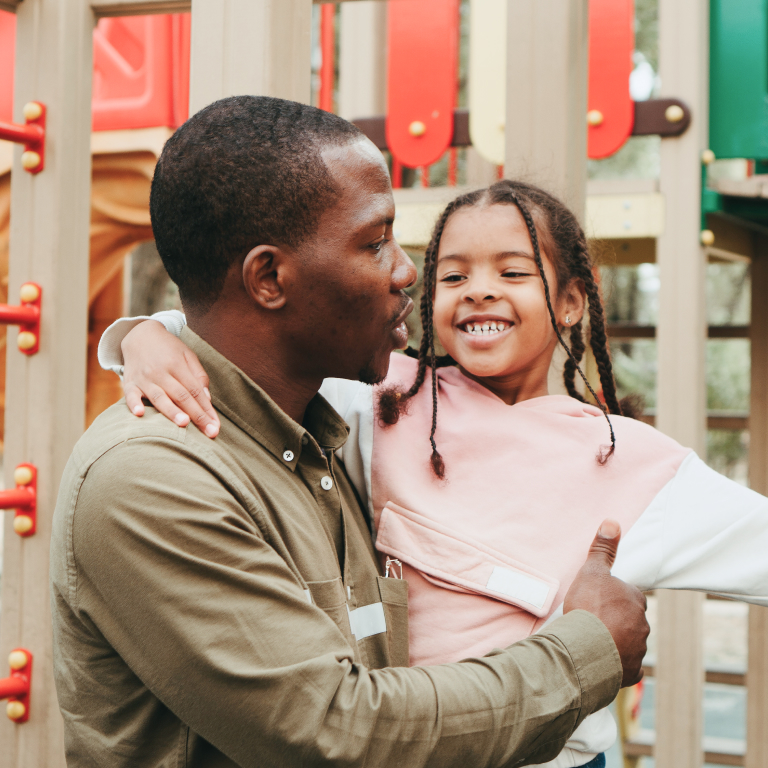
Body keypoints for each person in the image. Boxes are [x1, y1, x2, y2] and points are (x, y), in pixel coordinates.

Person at [50, 96, 650, 768]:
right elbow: (334, 730)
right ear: (270, 278)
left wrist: (149, 331)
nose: (406, 271)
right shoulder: (153, 478)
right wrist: (586, 651)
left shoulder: (327, 445)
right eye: (375, 242)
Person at [108, 177, 768, 768]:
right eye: (453, 278)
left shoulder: (637, 464)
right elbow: (243, 347)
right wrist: (144, 336)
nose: (479, 288)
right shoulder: (383, 401)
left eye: (513, 273)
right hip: (409, 742)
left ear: (571, 302)